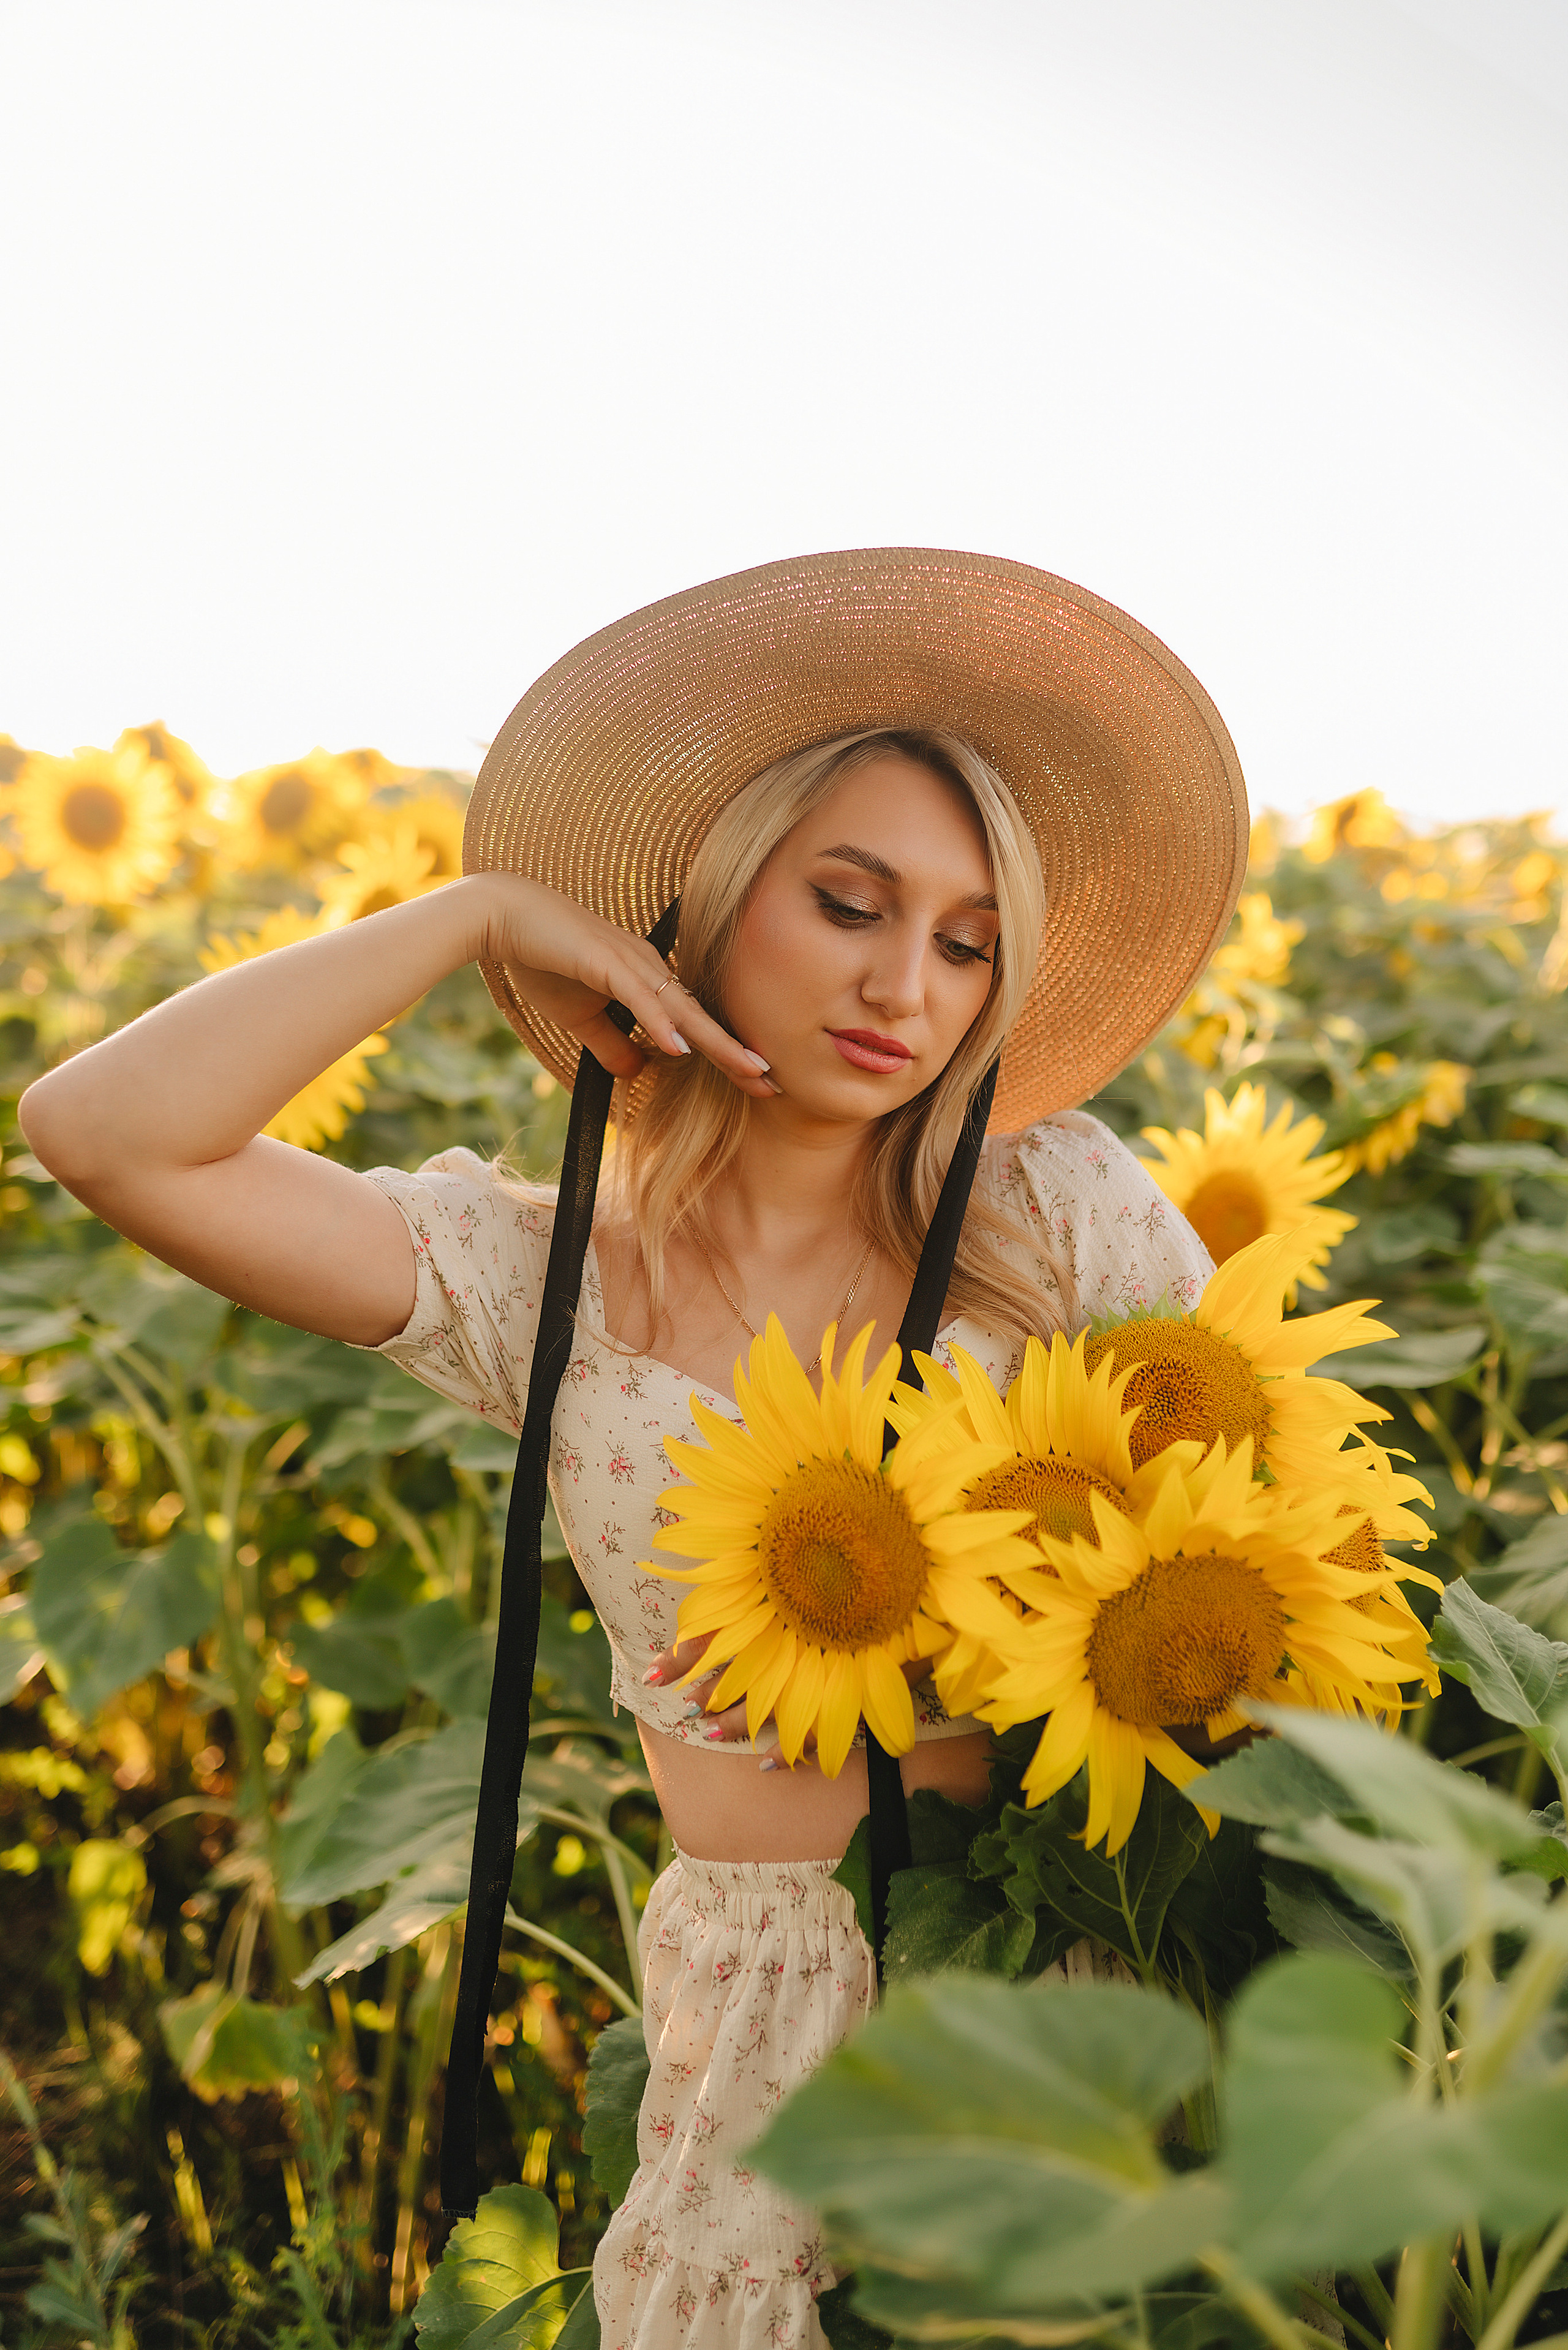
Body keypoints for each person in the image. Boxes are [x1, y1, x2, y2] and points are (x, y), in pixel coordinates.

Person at [19, 549, 1248, 2348]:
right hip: (753, 2009)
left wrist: (923, 1636)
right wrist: (470, 918)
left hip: (1058, 1960)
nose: (905, 983)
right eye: (850, 903)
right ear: (710, 902)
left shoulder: (1052, 1210)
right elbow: (105, 1132)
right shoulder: (542, 1278)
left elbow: (1273, 1566)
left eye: (967, 942)